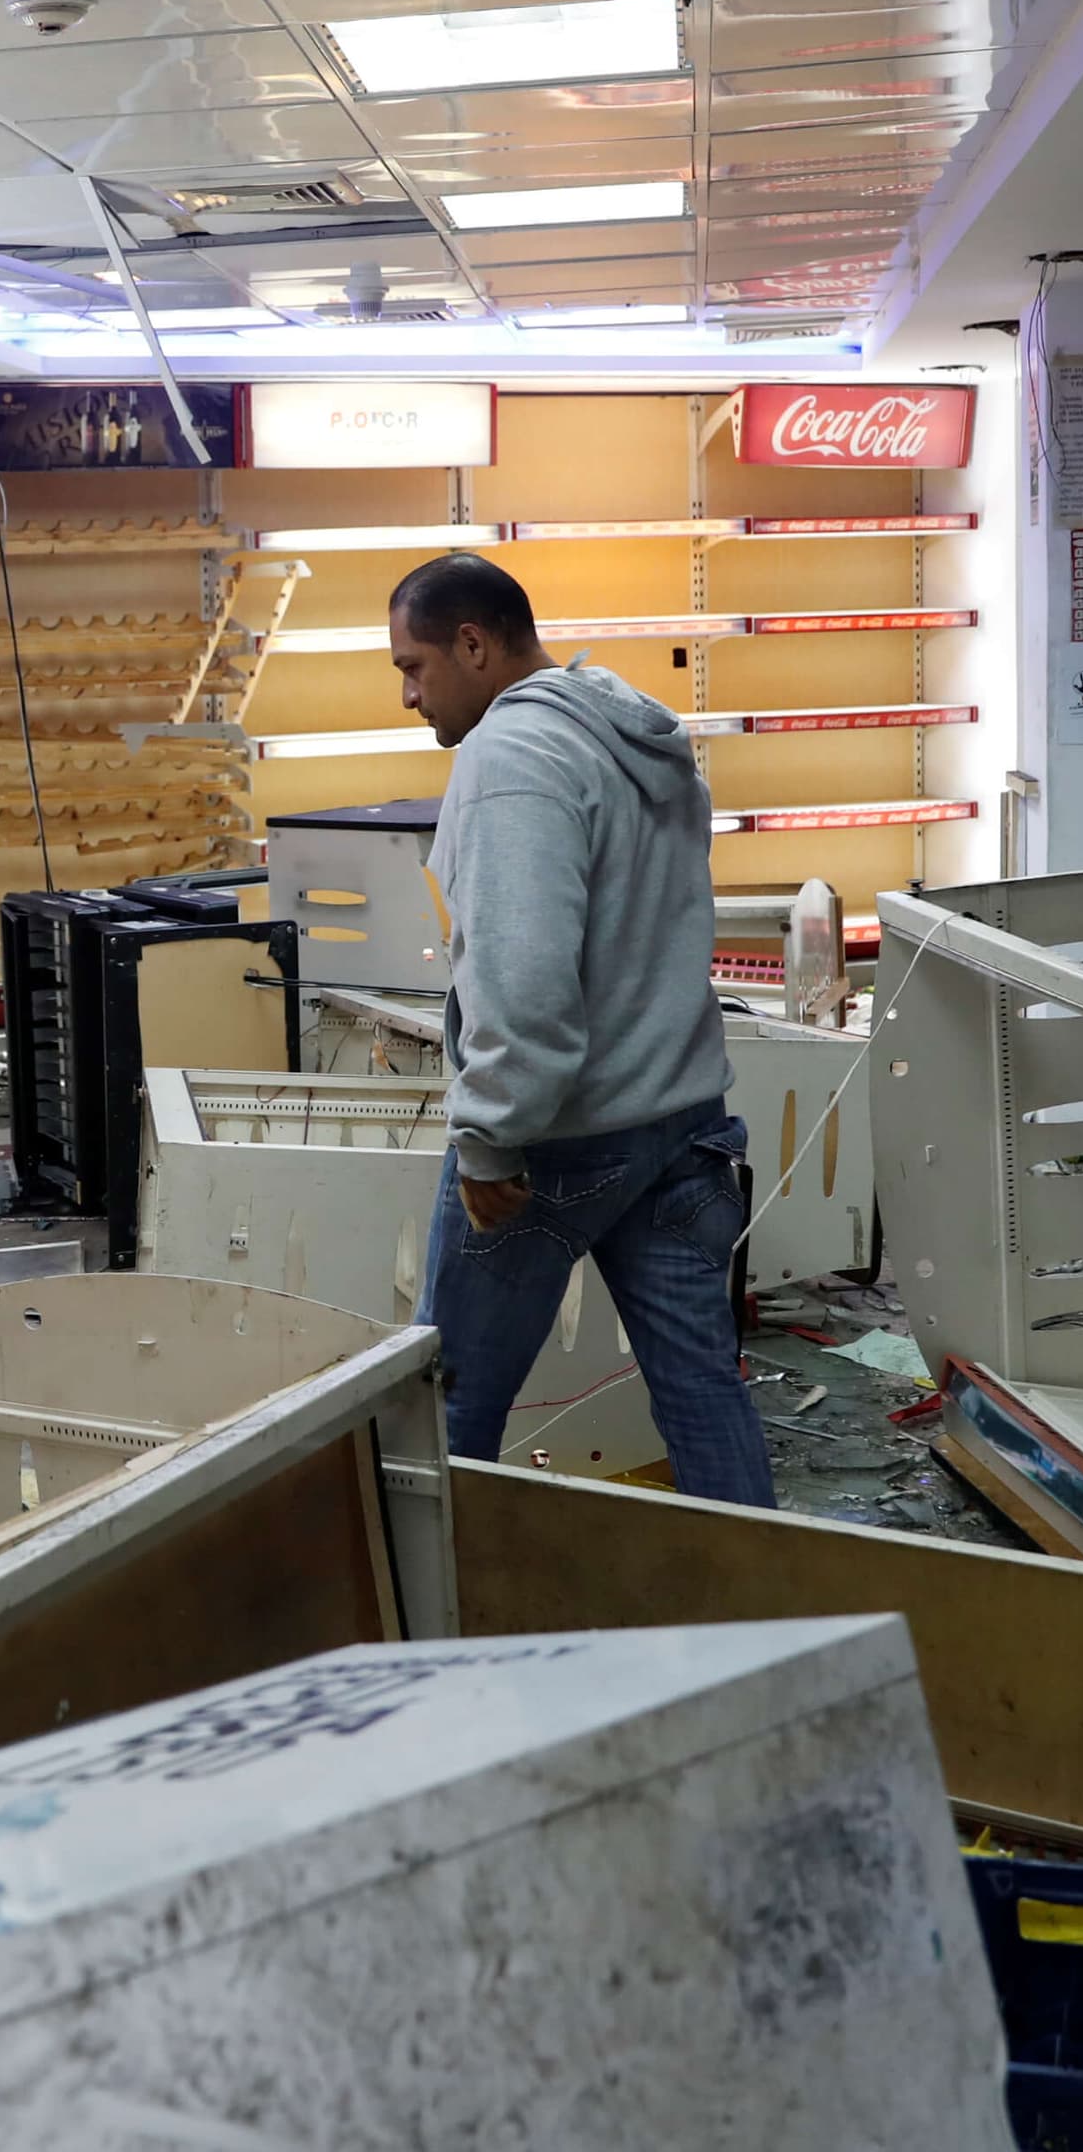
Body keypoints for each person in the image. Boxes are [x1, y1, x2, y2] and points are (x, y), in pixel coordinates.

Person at [385, 552, 771, 1504]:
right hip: (681, 1128)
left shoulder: (511, 756)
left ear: (473, 645)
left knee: (451, 1418)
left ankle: (438, 1635)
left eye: (413, 667)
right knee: (703, 1401)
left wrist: (489, 1140)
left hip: (551, 1147)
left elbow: (522, 974)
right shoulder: (636, 738)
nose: (407, 696)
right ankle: (781, 1625)